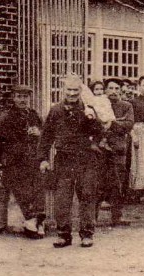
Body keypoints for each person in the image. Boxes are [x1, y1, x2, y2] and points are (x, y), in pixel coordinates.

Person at [39, 74, 103, 248]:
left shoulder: (88, 109)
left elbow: (100, 133)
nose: (72, 93)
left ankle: (87, 234)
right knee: (62, 198)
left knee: (87, 195)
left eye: (76, 90)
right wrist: (43, 159)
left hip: (85, 159)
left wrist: (92, 120)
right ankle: (63, 235)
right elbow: (46, 136)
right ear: (63, 90)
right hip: (64, 159)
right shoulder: (56, 110)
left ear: (81, 91)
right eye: (69, 89)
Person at [0, 85, 45, 239]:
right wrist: (2, 158)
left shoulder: (34, 115)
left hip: (33, 160)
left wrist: (39, 134)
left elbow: (45, 136)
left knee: (38, 189)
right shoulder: (6, 117)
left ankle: (38, 221)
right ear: (13, 98)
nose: (22, 100)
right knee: (23, 191)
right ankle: (30, 221)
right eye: (19, 96)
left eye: (25, 97)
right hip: (15, 162)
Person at [96, 78, 134, 226]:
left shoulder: (126, 106)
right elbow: (93, 123)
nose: (113, 91)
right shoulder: (98, 105)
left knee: (118, 183)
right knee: (97, 182)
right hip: (99, 149)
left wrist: (111, 122)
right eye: (110, 88)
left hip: (118, 149)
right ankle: (92, 217)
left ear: (121, 91)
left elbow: (128, 124)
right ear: (105, 90)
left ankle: (117, 217)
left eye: (116, 89)